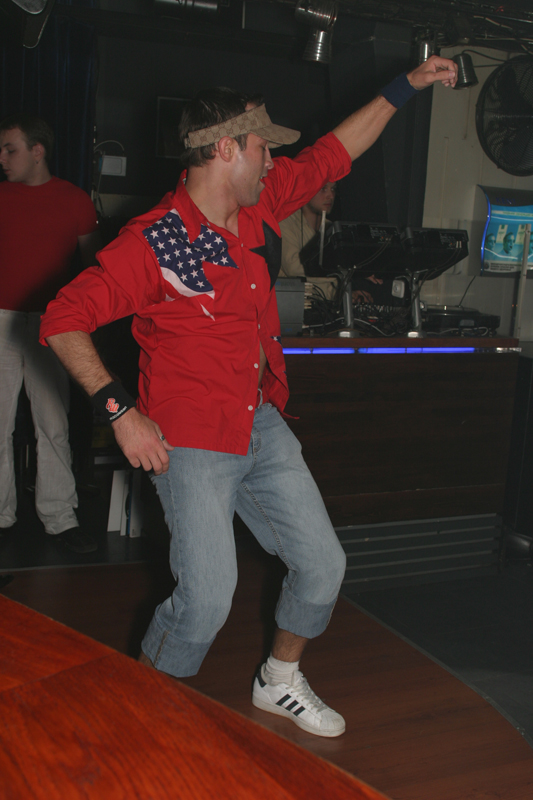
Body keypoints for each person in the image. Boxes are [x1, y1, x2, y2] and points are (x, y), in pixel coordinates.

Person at [41, 56, 457, 737]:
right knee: (206, 601)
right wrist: (120, 412)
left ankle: (279, 680)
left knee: (322, 566)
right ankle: (141, 711)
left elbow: (333, 153)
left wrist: (406, 86)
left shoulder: (257, 203)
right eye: (265, 147)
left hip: (258, 421)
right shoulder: (158, 241)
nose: (274, 160)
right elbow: (63, 320)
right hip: (190, 440)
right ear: (228, 149)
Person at [0, 114, 100, 553]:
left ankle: (60, 518)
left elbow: (95, 269)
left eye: (10, 149)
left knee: (53, 424)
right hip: (1, 320)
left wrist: (82, 322)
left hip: (52, 325)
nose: (2, 158)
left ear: (37, 151)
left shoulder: (75, 200)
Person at [279, 181, 381, 303]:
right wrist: (350, 271)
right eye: (323, 189)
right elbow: (295, 268)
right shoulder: (284, 222)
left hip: (322, 307)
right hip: (293, 308)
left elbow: (330, 285)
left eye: (333, 189)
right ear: (304, 190)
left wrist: (348, 294)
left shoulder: (332, 228)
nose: (331, 195)